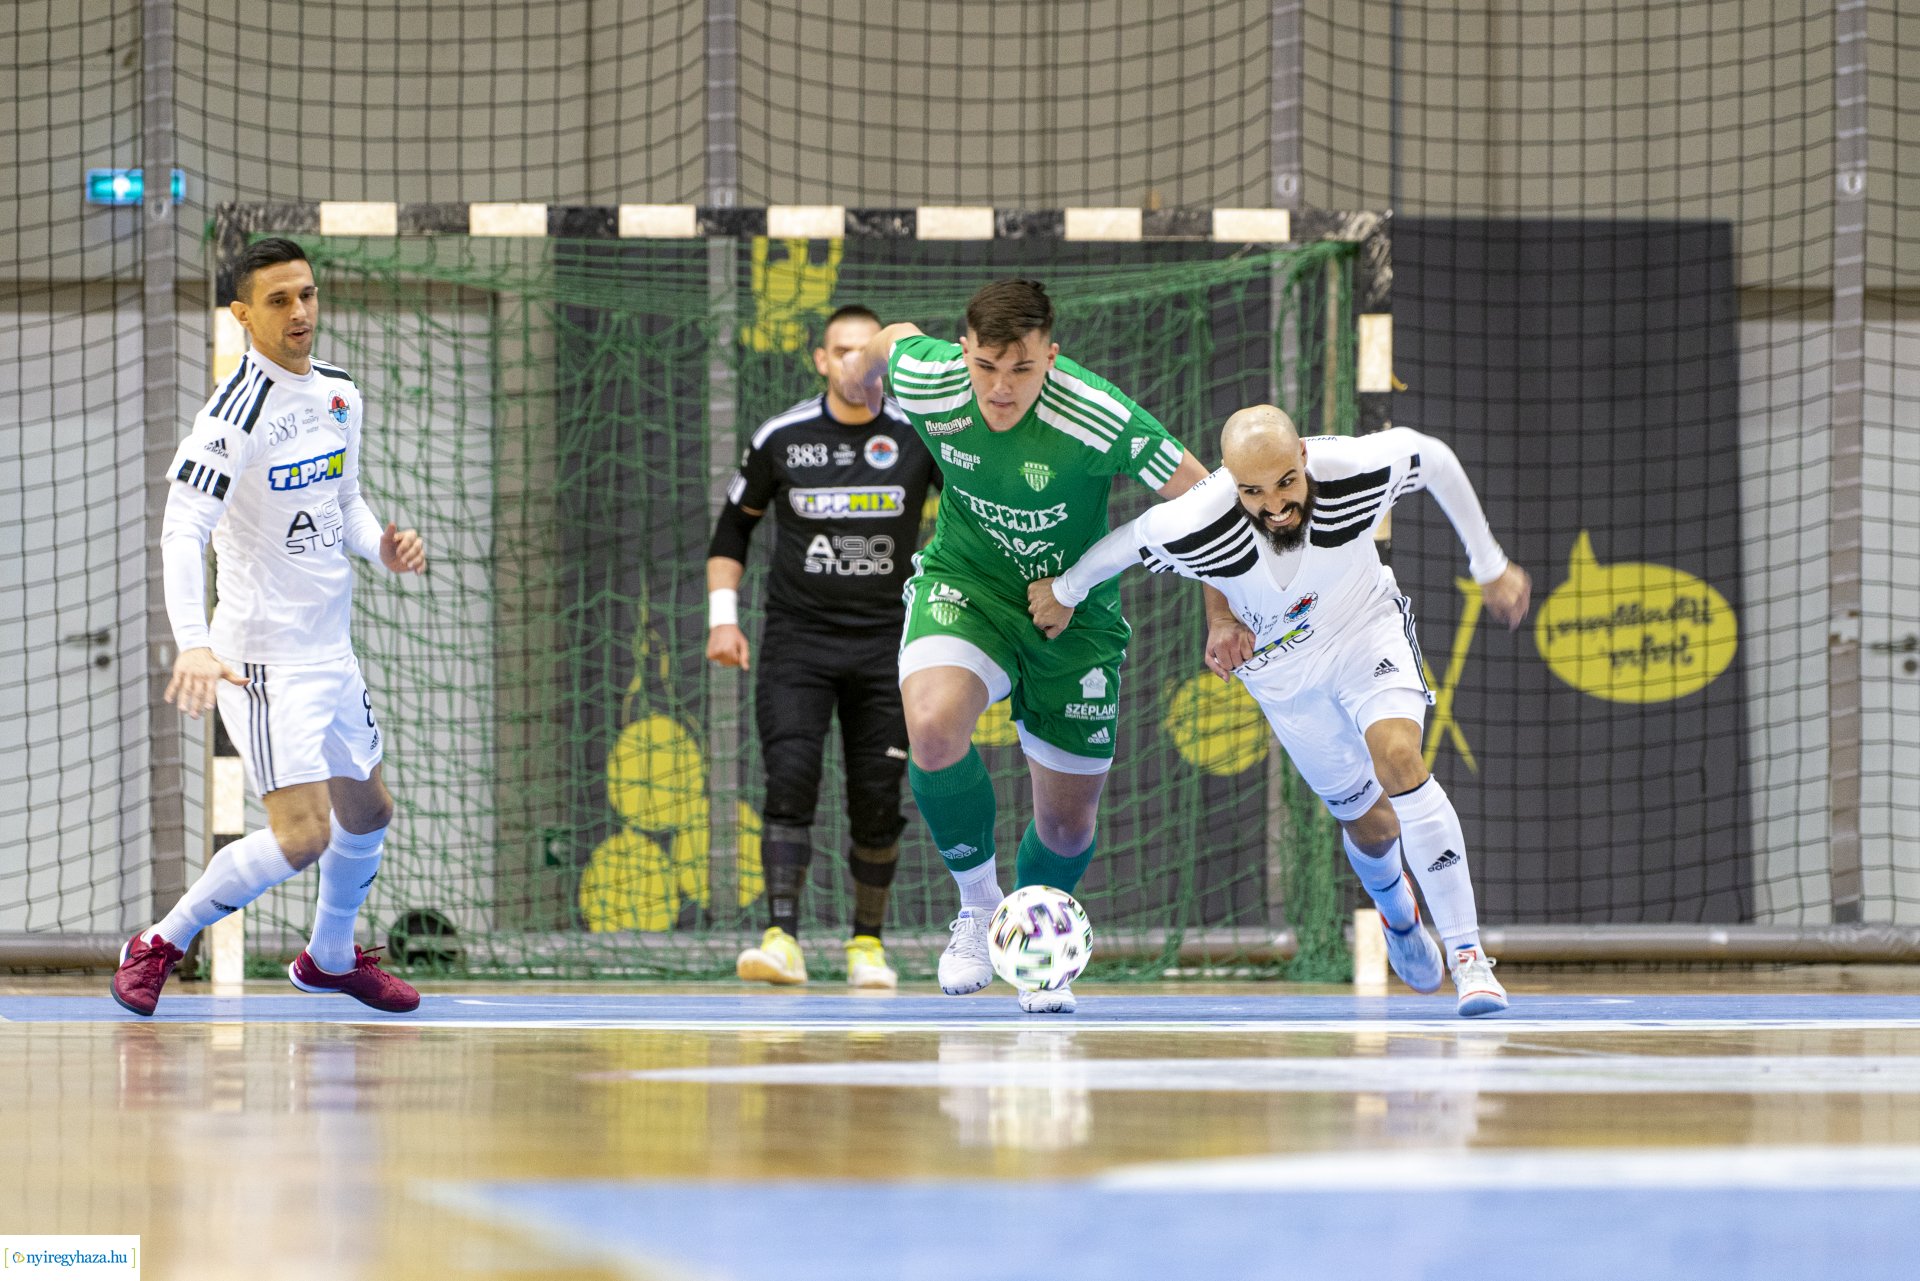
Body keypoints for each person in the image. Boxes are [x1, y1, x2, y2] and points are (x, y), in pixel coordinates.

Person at [1027, 404, 1531, 1017]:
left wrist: (1490, 564)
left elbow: (1434, 456)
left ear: (1304, 458)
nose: (1274, 505)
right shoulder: (1197, 519)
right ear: (1231, 483)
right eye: (1253, 491)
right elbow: (1128, 543)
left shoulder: (1353, 468)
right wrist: (1062, 591)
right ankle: (1400, 918)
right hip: (1284, 675)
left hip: (1365, 630)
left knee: (1399, 757)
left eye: (1286, 483)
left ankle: (1469, 959)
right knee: (1370, 824)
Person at [843, 279, 1213, 1014]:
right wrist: (862, 367)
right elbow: (896, 337)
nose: (1000, 389)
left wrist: (1223, 618)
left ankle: (1037, 945)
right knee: (933, 723)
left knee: (1067, 823)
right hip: (969, 584)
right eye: (985, 367)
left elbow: (1207, 499)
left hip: (1073, 619)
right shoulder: (930, 378)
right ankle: (981, 910)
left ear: (1052, 355)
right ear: (964, 352)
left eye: (1022, 370)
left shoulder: (1096, 413)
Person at [110, 237, 426, 1017]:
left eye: (308, 295)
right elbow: (181, 531)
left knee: (369, 810)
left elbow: (344, 503)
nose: (300, 312)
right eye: (280, 300)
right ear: (242, 314)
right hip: (262, 660)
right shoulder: (229, 417)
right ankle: (159, 942)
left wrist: (381, 546)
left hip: (331, 649)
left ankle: (327, 957)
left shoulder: (340, 394)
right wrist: (195, 640)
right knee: (302, 834)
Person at [708, 304, 940, 989]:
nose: (855, 363)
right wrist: (724, 618)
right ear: (821, 359)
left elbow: (971, 519)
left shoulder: (918, 438)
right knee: (790, 781)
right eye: (842, 351)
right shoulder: (782, 437)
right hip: (797, 645)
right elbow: (731, 532)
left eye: (867, 352)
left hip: (888, 647)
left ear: (886, 362)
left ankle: (867, 945)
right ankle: (782, 940)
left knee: (877, 796)